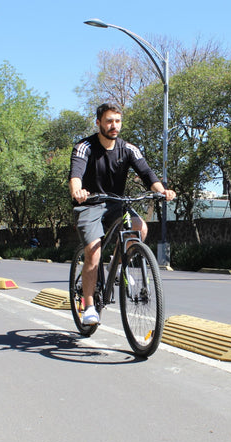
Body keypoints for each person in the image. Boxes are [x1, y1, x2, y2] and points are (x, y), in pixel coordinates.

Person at [69, 103, 176, 326]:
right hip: (89, 204)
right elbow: (76, 174)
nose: (113, 125)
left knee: (140, 228)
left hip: (116, 203)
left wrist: (162, 191)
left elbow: (147, 173)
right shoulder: (84, 147)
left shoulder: (128, 149)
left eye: (117, 121)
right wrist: (77, 191)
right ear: (98, 122)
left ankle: (114, 265)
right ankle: (89, 305)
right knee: (93, 252)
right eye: (108, 121)